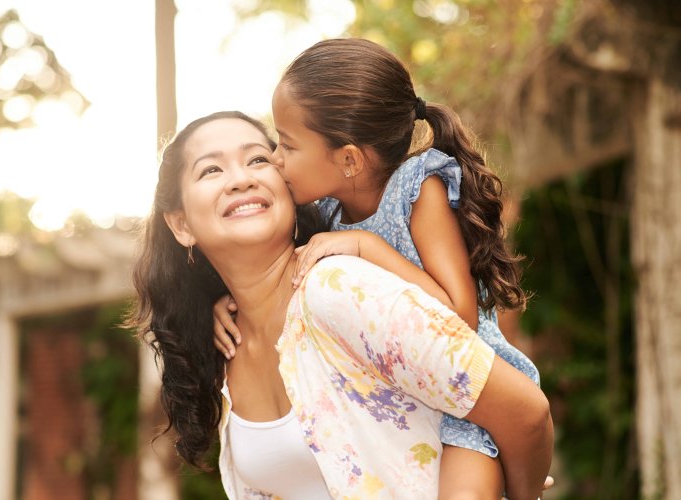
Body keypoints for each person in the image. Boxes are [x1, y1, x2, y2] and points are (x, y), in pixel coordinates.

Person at [127, 110, 553, 499]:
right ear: (181, 224)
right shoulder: (227, 346)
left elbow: (525, 412)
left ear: (288, 184)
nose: (241, 179)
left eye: (258, 159)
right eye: (212, 169)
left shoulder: (338, 289)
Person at [212, 38, 542, 498]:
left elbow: (459, 318)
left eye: (287, 144)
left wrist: (366, 246)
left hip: (465, 409)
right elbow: (274, 273)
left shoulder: (416, 192)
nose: (276, 159)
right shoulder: (324, 211)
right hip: (404, 409)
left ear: (347, 159)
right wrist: (232, 306)